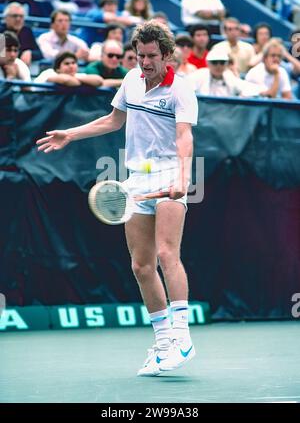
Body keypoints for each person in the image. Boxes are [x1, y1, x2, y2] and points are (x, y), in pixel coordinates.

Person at [36, 20, 198, 376]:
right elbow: (112, 120)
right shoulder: (130, 81)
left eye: (152, 56)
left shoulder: (181, 89)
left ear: (167, 55)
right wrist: (71, 134)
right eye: (139, 55)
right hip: (137, 181)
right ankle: (163, 341)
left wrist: (184, 179)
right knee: (141, 266)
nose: (144, 62)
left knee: (167, 253)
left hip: (172, 174)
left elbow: (184, 137)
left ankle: (183, 337)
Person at [187, 48, 269, 97]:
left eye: (222, 62)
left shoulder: (229, 77)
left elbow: (248, 87)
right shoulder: (198, 75)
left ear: (226, 64)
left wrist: (244, 95)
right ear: (208, 63)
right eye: (215, 62)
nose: (218, 66)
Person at [34, 51, 105, 87]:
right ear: (58, 69)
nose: (71, 66)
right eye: (66, 64)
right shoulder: (49, 73)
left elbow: (99, 80)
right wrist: (82, 81)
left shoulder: (77, 75)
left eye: (73, 63)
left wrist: (78, 79)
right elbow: (67, 80)